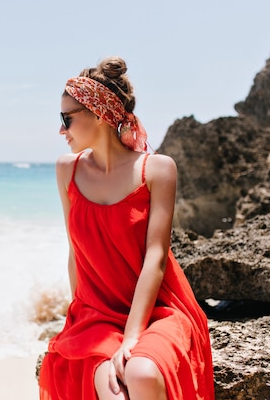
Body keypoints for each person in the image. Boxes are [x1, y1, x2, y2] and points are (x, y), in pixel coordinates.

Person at [38, 57, 214, 400]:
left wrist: (132, 336)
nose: (61, 130)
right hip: (95, 316)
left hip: (159, 310)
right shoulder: (66, 171)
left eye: (67, 118)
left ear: (99, 113)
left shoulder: (157, 170)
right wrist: (78, 319)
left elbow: (156, 257)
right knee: (115, 394)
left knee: (143, 373)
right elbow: (75, 252)